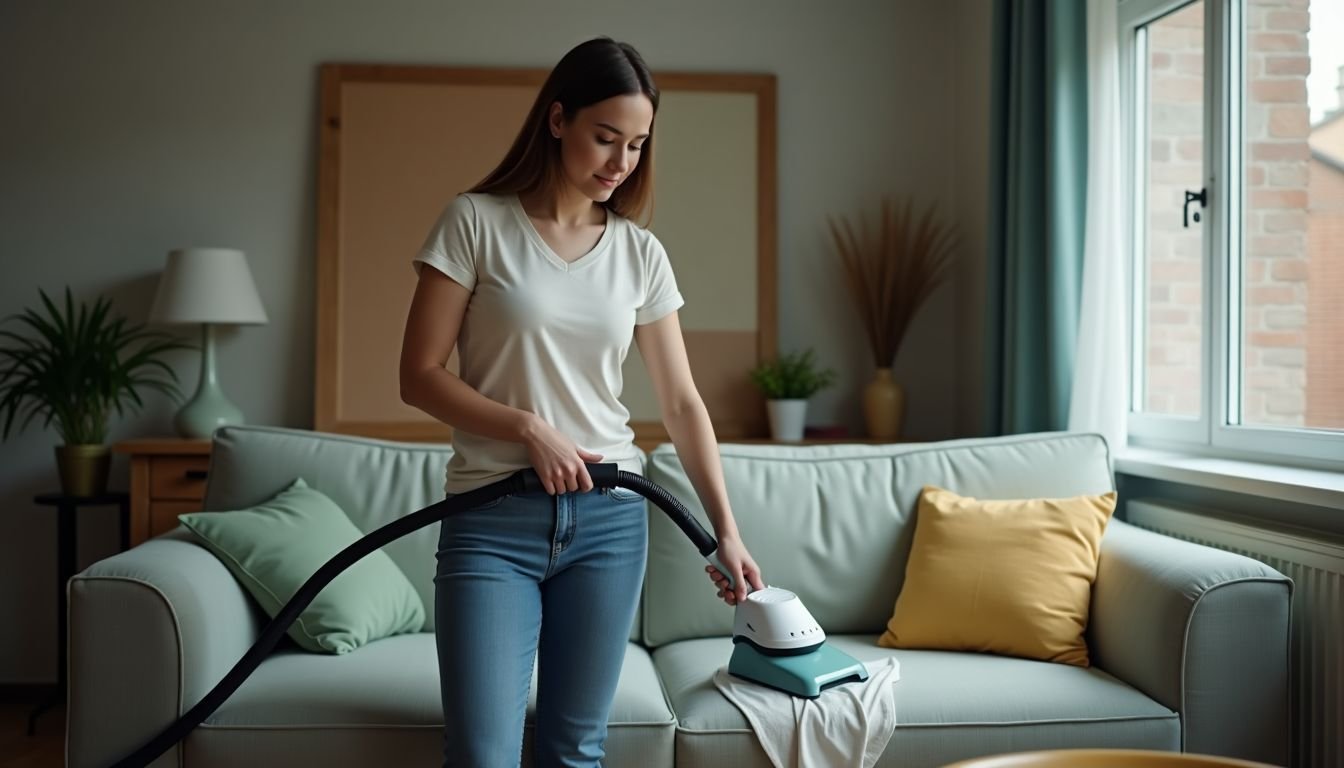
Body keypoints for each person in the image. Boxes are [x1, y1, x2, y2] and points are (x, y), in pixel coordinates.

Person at [398, 36, 765, 768]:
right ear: (558, 119)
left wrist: (726, 528)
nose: (620, 162)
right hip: (491, 520)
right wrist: (527, 427)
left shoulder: (640, 254)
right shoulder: (475, 223)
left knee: (575, 753)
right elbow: (419, 374)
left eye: (635, 145)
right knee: (482, 755)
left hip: (609, 526)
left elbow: (684, 403)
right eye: (606, 137)